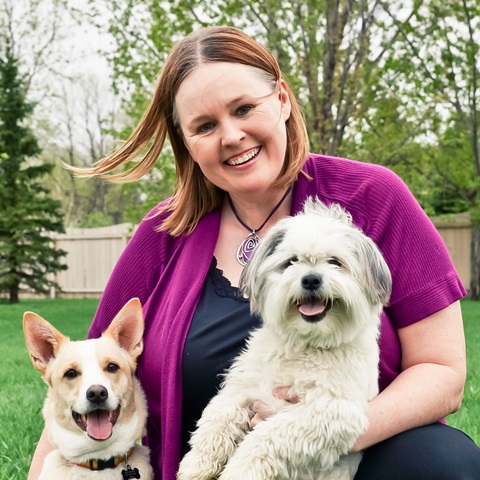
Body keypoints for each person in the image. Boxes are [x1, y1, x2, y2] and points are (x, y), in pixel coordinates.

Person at [28, 25, 480, 480]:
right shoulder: (162, 233)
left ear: (282, 98)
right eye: (205, 126)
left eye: (244, 108)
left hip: (355, 460)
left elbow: (441, 372)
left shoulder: (374, 197)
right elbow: (82, 368)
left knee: (442, 462)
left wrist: (317, 434)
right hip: (207, 469)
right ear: (187, 142)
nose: (231, 135)